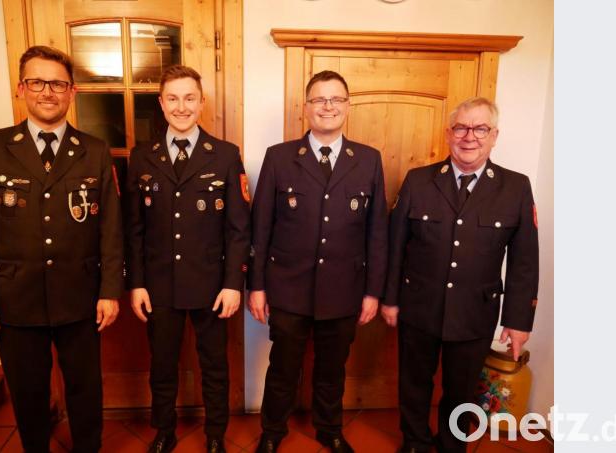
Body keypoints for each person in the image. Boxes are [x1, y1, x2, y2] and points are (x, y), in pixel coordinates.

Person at [0, 45, 123, 453]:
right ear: (21, 88)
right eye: (37, 82)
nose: (47, 92)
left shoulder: (95, 150)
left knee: (86, 389)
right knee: (28, 390)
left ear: (72, 92)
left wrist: (109, 290)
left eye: (58, 84)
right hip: (15, 298)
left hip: (80, 296)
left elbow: (110, 229)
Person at [381, 97, 539, 453]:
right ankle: (415, 442)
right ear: (449, 133)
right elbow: (395, 246)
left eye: (480, 128)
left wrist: (518, 321)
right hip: (418, 305)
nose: (470, 137)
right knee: (414, 382)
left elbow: (524, 260)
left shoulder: (515, 187)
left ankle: (453, 445)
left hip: (475, 311)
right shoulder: (418, 180)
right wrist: (390, 299)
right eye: (462, 128)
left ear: (494, 135)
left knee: (462, 388)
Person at [248, 70, 389, 453]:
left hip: (345, 288)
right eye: (320, 100)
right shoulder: (279, 157)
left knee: (332, 369)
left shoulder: (368, 160)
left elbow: (378, 233)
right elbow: (260, 228)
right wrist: (256, 287)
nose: (328, 107)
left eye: (336, 99)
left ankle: (329, 429)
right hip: (288, 287)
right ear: (306, 107)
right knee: (283, 368)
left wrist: (373, 292)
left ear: (347, 105)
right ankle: (272, 432)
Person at [125, 65, 251, 453]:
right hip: (159, 285)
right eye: (173, 99)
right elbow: (133, 228)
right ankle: (164, 431)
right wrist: (137, 283)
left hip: (212, 285)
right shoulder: (142, 156)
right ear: (162, 104)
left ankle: (215, 434)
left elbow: (237, 229)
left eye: (190, 98)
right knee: (162, 366)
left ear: (202, 102)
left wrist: (233, 284)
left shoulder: (226, 156)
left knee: (214, 365)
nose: (182, 107)